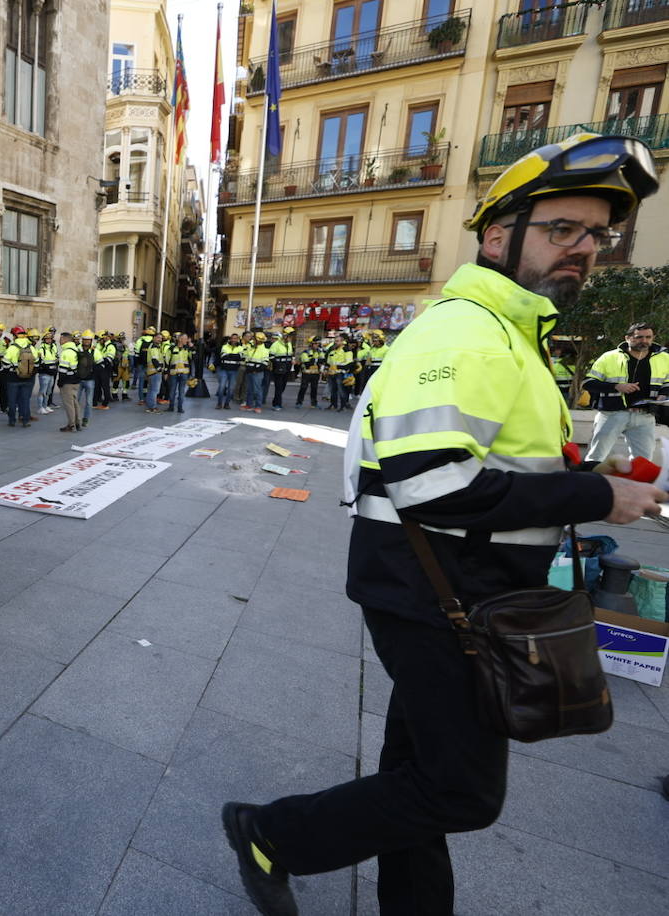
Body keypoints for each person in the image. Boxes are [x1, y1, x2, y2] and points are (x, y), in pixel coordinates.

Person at [222, 132, 667, 916]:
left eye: (597, 234)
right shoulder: (466, 330)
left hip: (460, 588)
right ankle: (271, 834)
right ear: (499, 234)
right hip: (439, 595)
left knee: (417, 772)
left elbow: (490, 461)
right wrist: (595, 499)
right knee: (460, 792)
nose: (584, 249)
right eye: (561, 229)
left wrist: (581, 477)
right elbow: (433, 485)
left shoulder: (506, 331)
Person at [583, 322, 669, 461]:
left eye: (648, 337)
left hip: (645, 416)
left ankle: (634, 484)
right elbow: (587, 383)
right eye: (639, 337)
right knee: (596, 457)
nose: (644, 341)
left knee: (643, 462)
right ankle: (589, 482)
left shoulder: (665, 358)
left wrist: (663, 394)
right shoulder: (609, 357)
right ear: (628, 338)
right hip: (611, 414)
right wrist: (616, 386)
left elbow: (667, 382)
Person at [2, 325, 37, 428]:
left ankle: (12, 421)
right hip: (28, 379)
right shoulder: (31, 347)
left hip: (13, 379)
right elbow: (38, 362)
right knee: (25, 400)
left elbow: (5, 363)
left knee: (12, 401)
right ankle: (25, 421)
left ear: (15, 336)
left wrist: (13, 368)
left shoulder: (12, 348)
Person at [56, 331, 81, 432]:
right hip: (76, 381)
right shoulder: (75, 349)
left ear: (65, 339)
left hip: (68, 382)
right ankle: (77, 423)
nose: (59, 340)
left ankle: (71, 425)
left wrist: (60, 382)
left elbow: (63, 370)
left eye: (61, 338)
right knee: (75, 403)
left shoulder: (66, 352)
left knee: (69, 405)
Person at [242, 331, 269, 413]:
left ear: (258, 340)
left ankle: (258, 406)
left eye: (254, 339)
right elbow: (246, 357)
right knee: (249, 389)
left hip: (257, 373)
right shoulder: (251, 347)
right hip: (249, 371)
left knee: (257, 390)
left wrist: (255, 370)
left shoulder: (264, 350)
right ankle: (249, 405)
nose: (252, 340)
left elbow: (264, 363)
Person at [294, 336, 325, 408]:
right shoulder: (305, 352)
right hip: (306, 373)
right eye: (315, 344)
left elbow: (322, 361)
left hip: (316, 373)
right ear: (311, 344)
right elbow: (307, 363)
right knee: (303, 388)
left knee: (314, 389)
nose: (317, 345)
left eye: (318, 344)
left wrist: (315, 361)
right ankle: (299, 402)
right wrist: (316, 361)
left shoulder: (320, 352)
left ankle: (314, 403)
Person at [268, 329, 295, 411]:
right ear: (285, 336)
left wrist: (292, 360)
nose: (291, 338)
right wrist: (278, 364)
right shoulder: (276, 344)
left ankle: (275, 401)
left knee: (283, 386)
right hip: (278, 368)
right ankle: (277, 404)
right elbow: (271, 356)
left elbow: (290, 354)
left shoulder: (289, 344)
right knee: (278, 387)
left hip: (287, 367)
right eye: (290, 337)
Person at [166, 333, 192, 413]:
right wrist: (166, 372)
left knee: (181, 391)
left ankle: (180, 408)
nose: (186, 340)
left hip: (184, 373)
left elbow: (194, 357)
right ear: (180, 339)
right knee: (172, 391)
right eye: (185, 338)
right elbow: (167, 361)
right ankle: (171, 407)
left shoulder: (187, 349)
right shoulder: (171, 348)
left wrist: (192, 347)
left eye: (187, 339)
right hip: (173, 373)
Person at [76, 330, 98, 427]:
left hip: (90, 380)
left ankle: (86, 419)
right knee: (76, 401)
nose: (86, 342)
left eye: (88, 340)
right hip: (78, 379)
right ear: (82, 340)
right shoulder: (77, 349)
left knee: (89, 402)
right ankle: (76, 418)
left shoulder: (95, 350)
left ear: (91, 341)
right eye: (85, 340)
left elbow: (100, 363)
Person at [216, 333, 243, 409]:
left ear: (237, 339)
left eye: (235, 338)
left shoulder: (241, 348)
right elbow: (223, 356)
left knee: (231, 389)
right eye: (232, 338)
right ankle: (219, 403)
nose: (234, 340)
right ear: (230, 339)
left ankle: (227, 404)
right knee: (222, 387)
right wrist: (235, 356)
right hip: (224, 369)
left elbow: (240, 357)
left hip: (234, 371)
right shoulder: (224, 346)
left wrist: (229, 355)